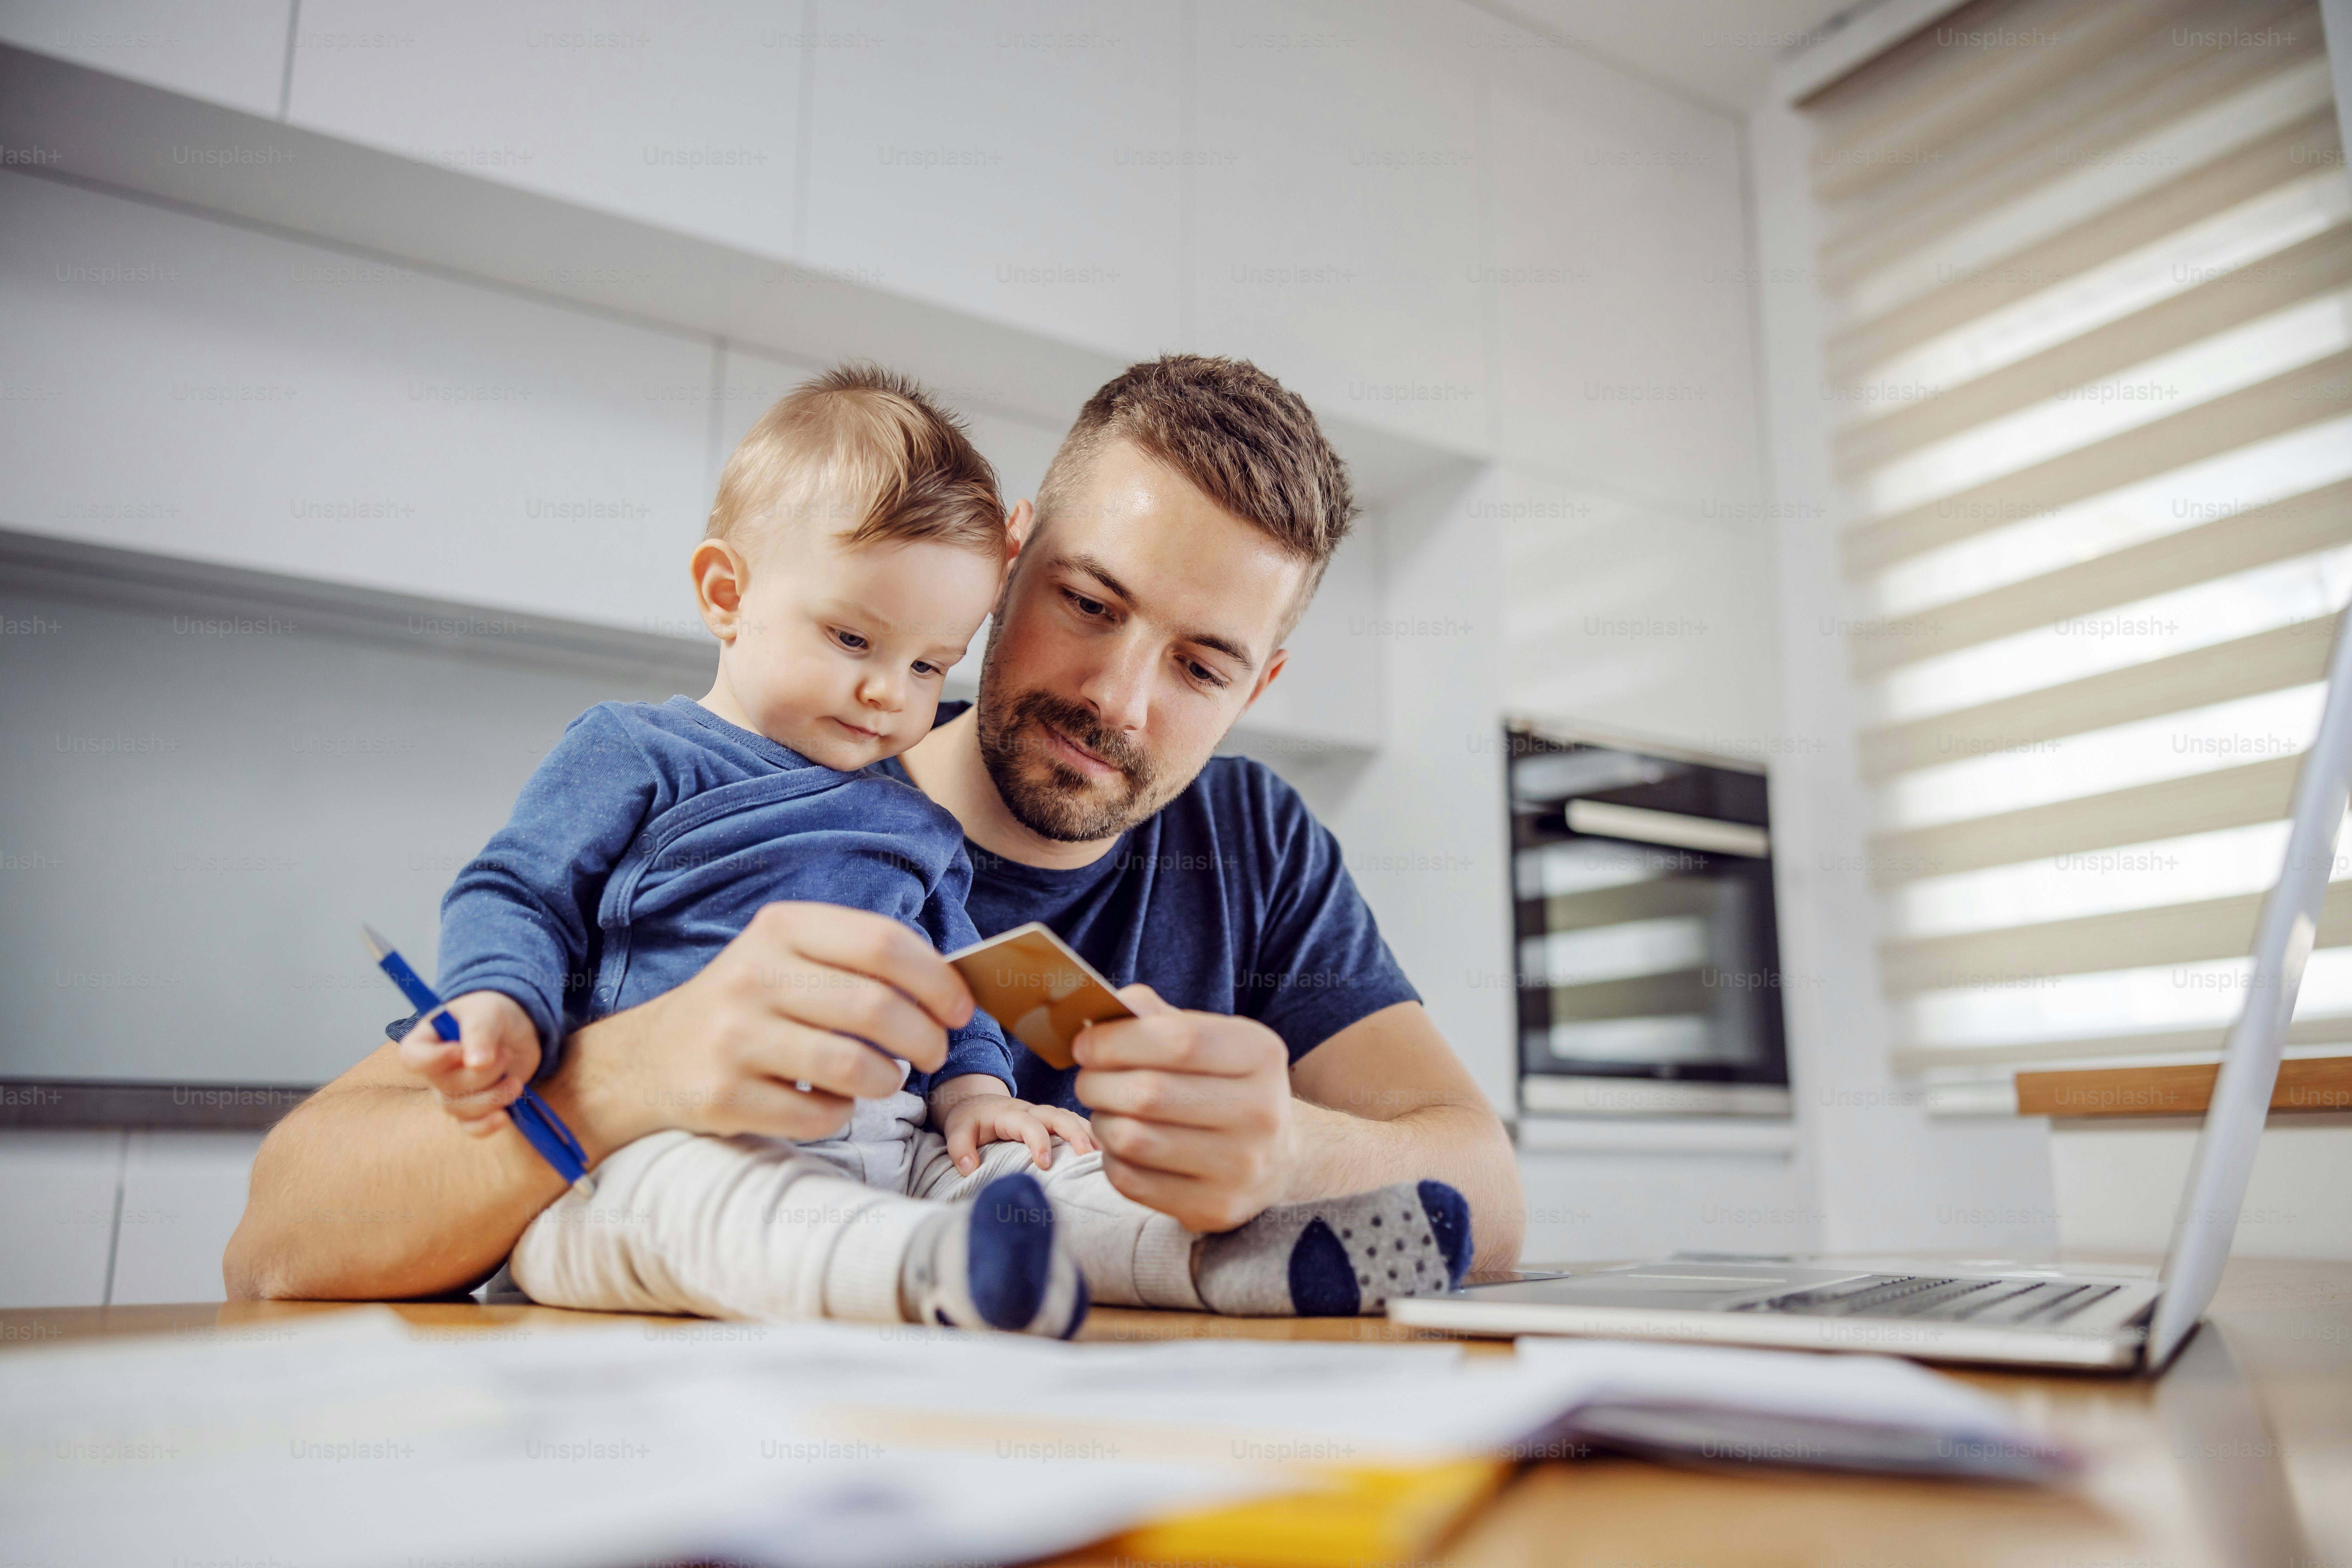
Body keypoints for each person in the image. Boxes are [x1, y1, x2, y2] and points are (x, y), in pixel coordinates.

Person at [224, 354, 1524, 1307]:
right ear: (1005, 558)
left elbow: (1488, 1195)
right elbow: (281, 1238)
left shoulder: (1254, 844)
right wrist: (631, 1074)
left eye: (1203, 667)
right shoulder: (757, 783)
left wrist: (1290, 1147)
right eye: (1087, 602)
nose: (1116, 700)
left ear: (1261, 687)